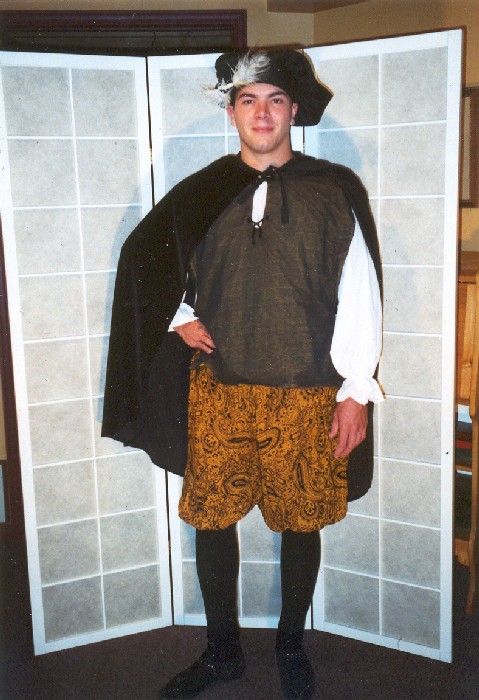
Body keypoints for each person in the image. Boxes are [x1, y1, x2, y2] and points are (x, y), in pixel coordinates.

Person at [102, 48, 383, 700]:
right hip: (221, 391)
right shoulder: (202, 191)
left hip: (308, 395)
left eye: (274, 100)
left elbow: (361, 295)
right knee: (212, 518)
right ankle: (221, 652)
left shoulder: (332, 189)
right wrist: (178, 315)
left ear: (293, 110)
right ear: (231, 112)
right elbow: (148, 260)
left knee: (301, 521)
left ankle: (290, 645)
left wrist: (356, 391)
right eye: (248, 100)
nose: (261, 113)